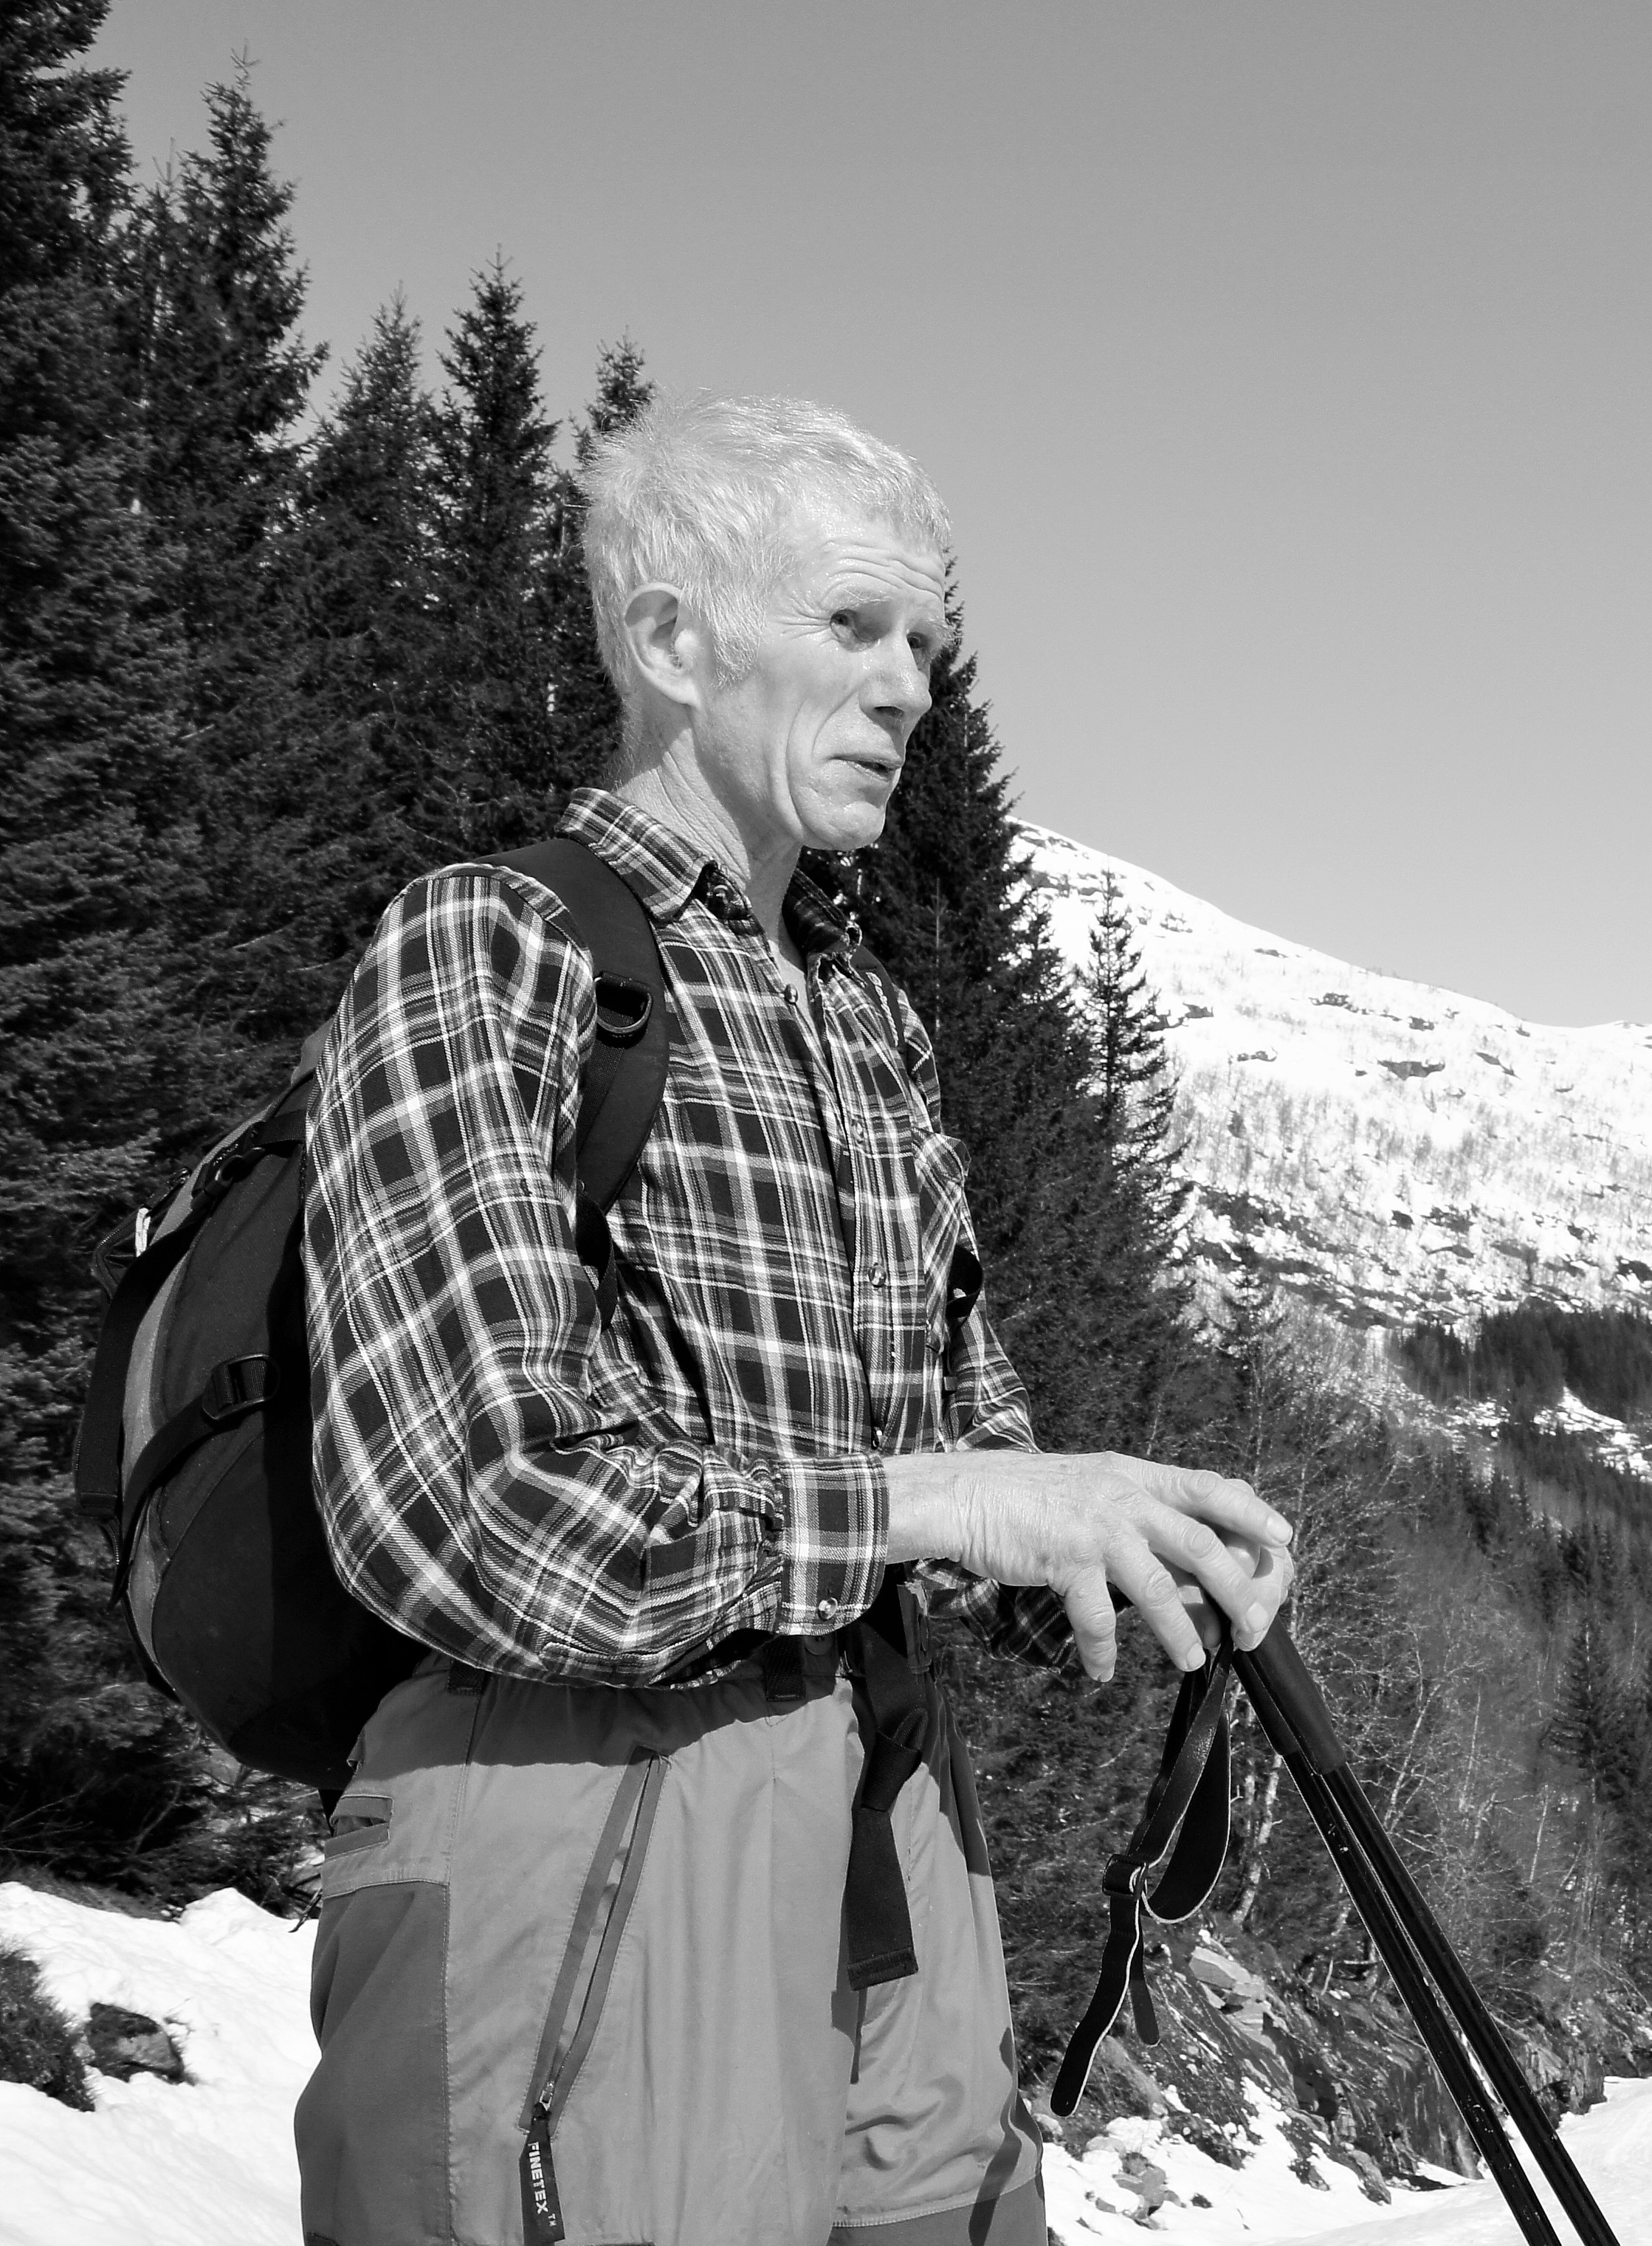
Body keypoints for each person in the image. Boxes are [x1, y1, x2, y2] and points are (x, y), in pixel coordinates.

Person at [292, 390, 1293, 2246]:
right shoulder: (490, 944)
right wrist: (937, 1503)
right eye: (853, 626)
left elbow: (962, 1468)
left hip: (885, 1826)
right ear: (674, 642)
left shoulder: (864, 1015)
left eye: (926, 640)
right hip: (572, 1842)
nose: (913, 687)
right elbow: (466, 1513)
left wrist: (1124, 1541)